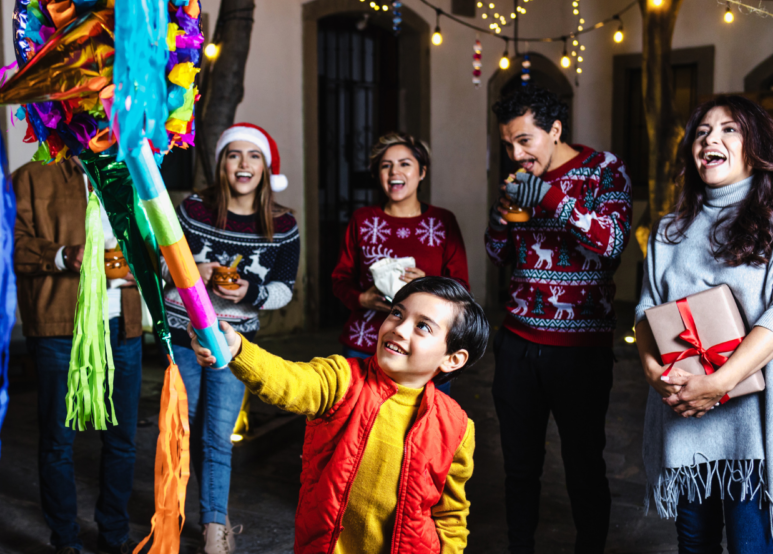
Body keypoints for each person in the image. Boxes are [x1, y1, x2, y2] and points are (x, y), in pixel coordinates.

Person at [189, 276, 484, 553]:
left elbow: (451, 515)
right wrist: (240, 350)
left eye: (423, 326)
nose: (399, 328)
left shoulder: (457, 427)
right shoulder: (342, 378)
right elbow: (289, 380)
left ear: (453, 359)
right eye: (397, 313)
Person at [484, 84, 632, 553]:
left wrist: (547, 197)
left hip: (581, 351)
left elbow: (610, 244)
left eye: (525, 140)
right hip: (518, 343)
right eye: (508, 143)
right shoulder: (518, 180)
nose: (516, 153)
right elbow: (497, 253)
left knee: (584, 464)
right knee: (519, 465)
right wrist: (503, 219)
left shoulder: (604, 170)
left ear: (556, 130)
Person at [635, 95, 773, 552]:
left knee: (751, 545)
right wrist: (654, 374)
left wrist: (721, 383)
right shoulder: (668, 229)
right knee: (693, 545)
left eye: (729, 129)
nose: (711, 138)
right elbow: (645, 310)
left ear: (756, 145)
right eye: (701, 132)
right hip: (684, 418)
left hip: (750, 428)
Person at [161, 123, 300, 553]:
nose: (243, 164)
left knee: (217, 436)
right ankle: (174, 516)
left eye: (253, 156)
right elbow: (162, 268)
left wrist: (249, 292)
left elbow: (283, 289)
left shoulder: (282, 223)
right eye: (234, 155)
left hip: (234, 345)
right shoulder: (194, 210)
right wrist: (192, 273)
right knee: (184, 433)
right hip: (184, 337)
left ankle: (214, 530)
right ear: (221, 164)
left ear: (266, 166)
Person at [14, 158, 144, 554]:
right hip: (60, 327)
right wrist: (63, 256)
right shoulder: (31, 177)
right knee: (58, 441)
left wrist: (143, 267)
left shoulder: (132, 171)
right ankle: (66, 539)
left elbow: (153, 240)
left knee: (122, 439)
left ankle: (115, 534)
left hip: (122, 325)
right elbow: (9, 245)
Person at [331, 132, 468, 395]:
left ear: (422, 172)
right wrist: (362, 299)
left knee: (425, 428)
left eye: (405, 163)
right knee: (361, 425)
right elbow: (340, 278)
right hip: (365, 343)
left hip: (425, 350)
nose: (395, 171)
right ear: (378, 174)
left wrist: (425, 285)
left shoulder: (442, 222)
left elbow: (461, 287)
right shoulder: (363, 219)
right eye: (386, 165)